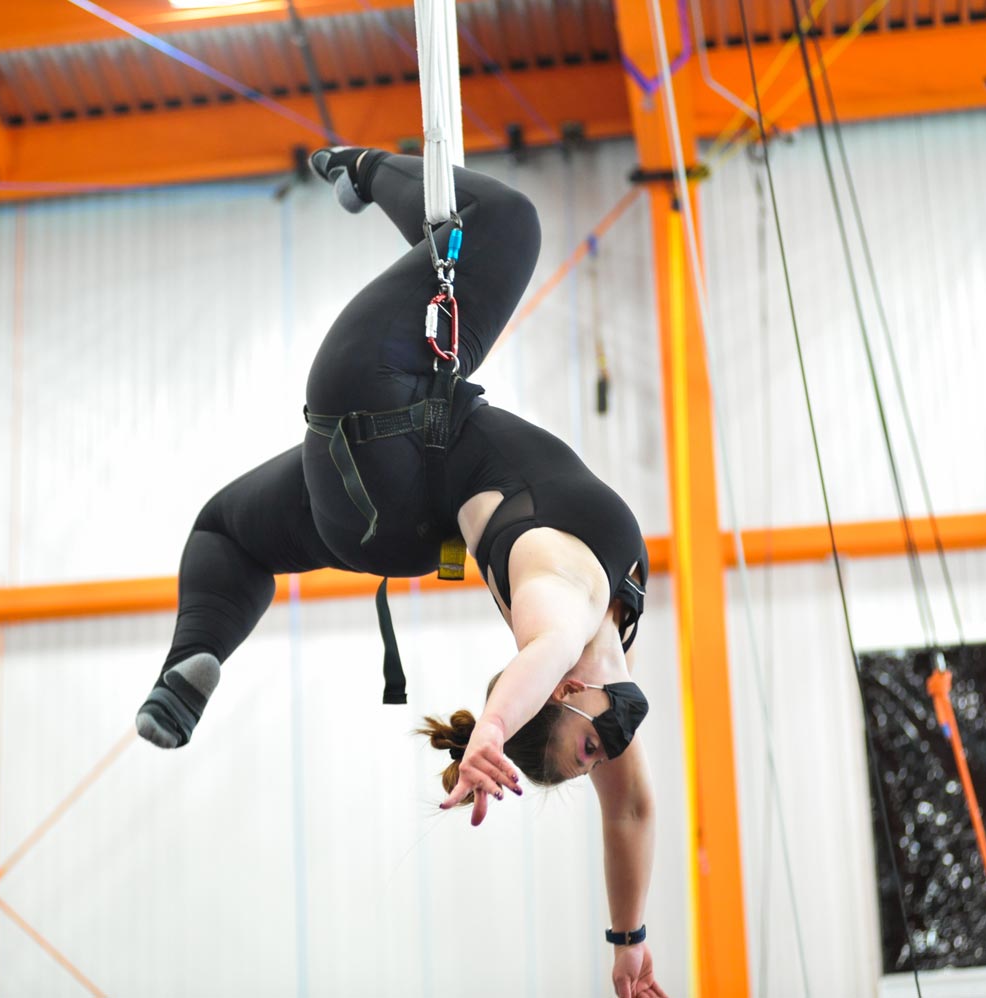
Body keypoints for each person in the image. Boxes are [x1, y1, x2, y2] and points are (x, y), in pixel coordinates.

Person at [136, 148, 668, 998]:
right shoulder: (605, 654)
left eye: (590, 746)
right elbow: (632, 812)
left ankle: (360, 167)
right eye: (597, 757)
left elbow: (543, 646)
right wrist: (627, 941)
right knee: (225, 531)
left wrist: (492, 730)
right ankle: (189, 663)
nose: (612, 749)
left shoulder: (564, 605)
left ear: (563, 693)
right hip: (389, 525)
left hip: (384, 407)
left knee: (506, 223)